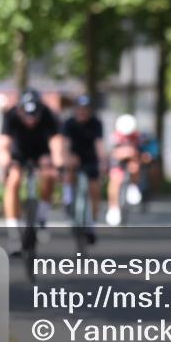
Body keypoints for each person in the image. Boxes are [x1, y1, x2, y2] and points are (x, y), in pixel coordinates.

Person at [0, 88, 64, 255]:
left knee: (48, 176)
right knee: (13, 181)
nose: (30, 121)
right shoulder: (11, 115)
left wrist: (58, 163)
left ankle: (42, 217)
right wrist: (5, 163)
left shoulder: (48, 114)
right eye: (26, 116)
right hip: (19, 154)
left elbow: (56, 142)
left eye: (34, 116)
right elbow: (4, 144)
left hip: (41, 152)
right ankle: (13, 232)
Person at [61, 94, 105, 243]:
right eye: (80, 109)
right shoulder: (68, 123)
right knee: (69, 173)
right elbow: (65, 145)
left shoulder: (96, 123)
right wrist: (67, 158)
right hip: (74, 158)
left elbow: (99, 144)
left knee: (94, 190)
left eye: (85, 109)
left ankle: (91, 226)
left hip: (90, 160)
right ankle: (67, 199)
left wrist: (103, 161)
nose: (82, 112)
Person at [106, 113, 142, 225]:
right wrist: (124, 152)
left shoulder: (137, 136)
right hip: (117, 164)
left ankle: (133, 185)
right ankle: (114, 208)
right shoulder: (114, 137)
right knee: (115, 181)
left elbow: (141, 151)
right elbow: (111, 153)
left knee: (135, 166)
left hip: (132, 161)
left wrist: (132, 153)